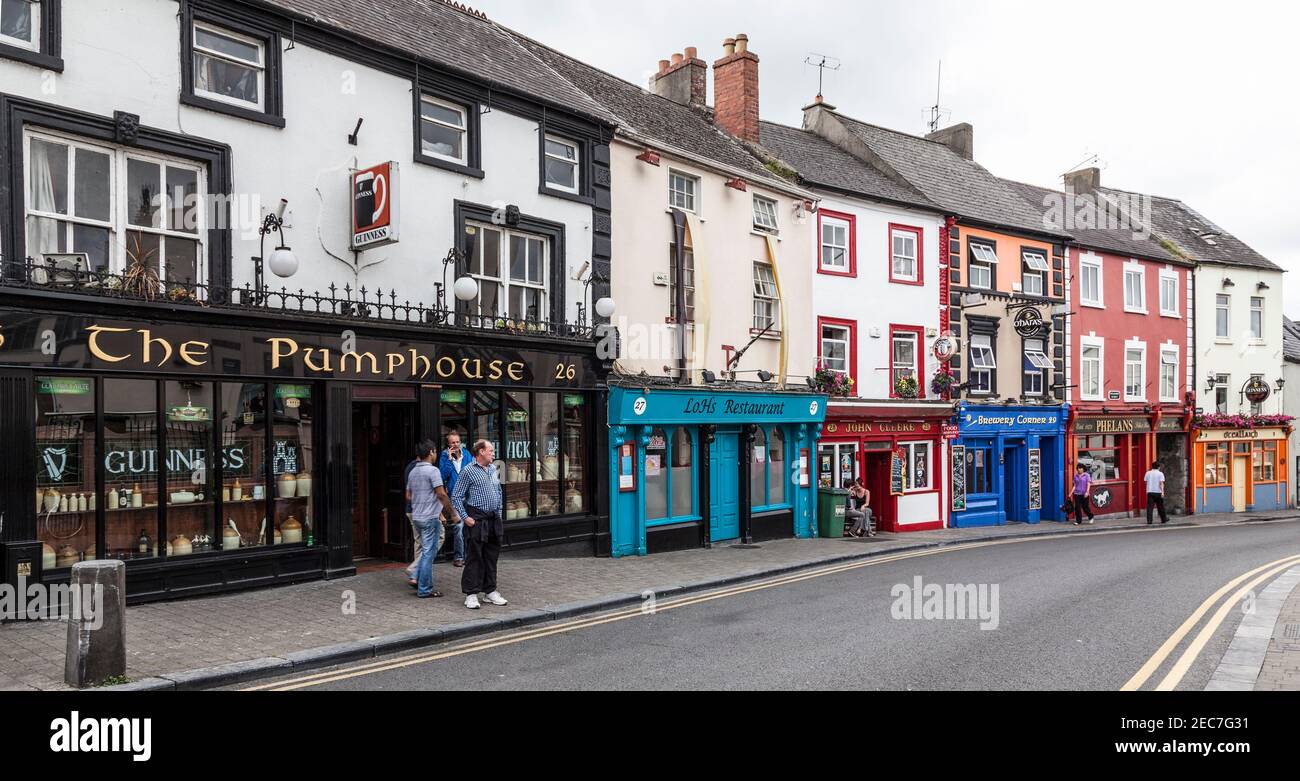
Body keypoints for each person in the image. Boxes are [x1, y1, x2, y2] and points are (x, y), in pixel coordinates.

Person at [451, 439, 508, 610]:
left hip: (493, 519)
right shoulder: (468, 471)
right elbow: (456, 496)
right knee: (475, 557)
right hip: (476, 519)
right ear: (481, 452)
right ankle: (471, 594)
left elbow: (498, 491)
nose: (493, 453)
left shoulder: (492, 469)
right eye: (490, 450)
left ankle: (490, 592)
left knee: (491, 556)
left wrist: (498, 512)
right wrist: (465, 517)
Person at [406, 440, 451, 599]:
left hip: (417, 517)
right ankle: (424, 588)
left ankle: (416, 573)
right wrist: (452, 513)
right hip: (430, 518)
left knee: (426, 552)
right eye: (435, 451)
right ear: (431, 452)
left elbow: (408, 496)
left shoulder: (412, 472)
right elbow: (441, 494)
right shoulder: (433, 471)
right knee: (428, 554)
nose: (436, 454)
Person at [438, 432, 474, 568]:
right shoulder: (443, 455)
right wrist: (449, 460)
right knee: (459, 526)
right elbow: (442, 475)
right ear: (448, 444)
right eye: (452, 443)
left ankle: (470, 555)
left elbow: (473, 470)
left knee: (471, 525)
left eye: (457, 442)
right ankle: (459, 557)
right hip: (455, 496)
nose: (455, 445)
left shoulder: (467, 454)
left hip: (469, 495)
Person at [403, 450, 423, 587]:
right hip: (421, 511)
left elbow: (408, 494)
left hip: (411, 509)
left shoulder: (409, 468)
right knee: (433, 541)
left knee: (419, 542)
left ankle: (417, 574)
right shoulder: (420, 469)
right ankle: (415, 570)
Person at [1144, 460, 1170, 525]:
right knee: (1160, 506)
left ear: (1152, 467)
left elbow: (1145, 482)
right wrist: (1162, 492)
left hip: (1150, 492)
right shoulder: (1160, 474)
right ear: (1158, 467)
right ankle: (1163, 519)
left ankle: (1149, 520)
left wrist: (1148, 488)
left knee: (1150, 507)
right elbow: (1161, 483)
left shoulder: (1148, 473)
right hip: (1158, 492)